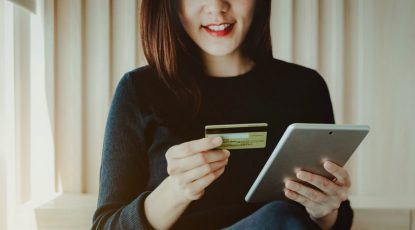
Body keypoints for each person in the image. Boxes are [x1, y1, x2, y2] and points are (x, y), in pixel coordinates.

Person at [92, 0, 353, 229]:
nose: (217, 6)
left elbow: (337, 220)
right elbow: (106, 226)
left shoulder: (305, 87)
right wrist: (176, 190)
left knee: (283, 218)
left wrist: (325, 211)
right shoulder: (139, 90)